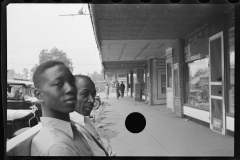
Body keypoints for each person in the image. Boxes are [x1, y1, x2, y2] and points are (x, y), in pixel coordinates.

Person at [31, 61, 94, 156]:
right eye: (59, 84)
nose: (71, 89)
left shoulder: (71, 130)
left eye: (72, 82)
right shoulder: (57, 148)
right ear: (39, 95)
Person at [70, 75, 116, 156]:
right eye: (85, 94)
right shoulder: (75, 129)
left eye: (93, 94)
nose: (92, 100)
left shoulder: (84, 120)